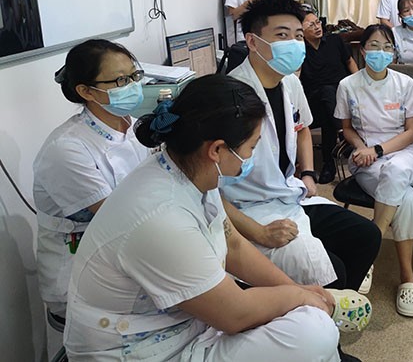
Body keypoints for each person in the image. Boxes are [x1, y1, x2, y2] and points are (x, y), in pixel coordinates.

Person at [64, 74, 370, 361]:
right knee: (315, 332)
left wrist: (301, 291)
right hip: (141, 349)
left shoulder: (193, 172)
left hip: (184, 322)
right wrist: (299, 297)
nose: (251, 156)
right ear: (217, 149)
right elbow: (234, 315)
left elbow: (233, 244)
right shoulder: (161, 217)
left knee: (306, 317)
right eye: (251, 147)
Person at [224, 0, 382, 297]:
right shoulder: (230, 96)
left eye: (298, 36)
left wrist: (308, 173)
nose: (295, 44)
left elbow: (303, 128)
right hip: (247, 209)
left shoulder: (289, 82)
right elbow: (206, 190)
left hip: (288, 194)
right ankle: (321, 313)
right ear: (253, 42)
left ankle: (331, 311)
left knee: (366, 236)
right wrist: (258, 233)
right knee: (331, 271)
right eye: (282, 35)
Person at [34, 39, 149, 319]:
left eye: (134, 76)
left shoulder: (132, 126)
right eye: (120, 80)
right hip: (81, 273)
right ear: (86, 91)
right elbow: (119, 220)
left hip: (128, 252)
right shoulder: (67, 148)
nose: (132, 86)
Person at [335, 24, 413, 317]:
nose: (381, 52)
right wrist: (361, 148)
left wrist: (377, 150)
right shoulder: (348, 85)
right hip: (366, 159)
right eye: (374, 46)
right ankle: (407, 279)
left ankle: (367, 253)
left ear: (394, 52)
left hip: (404, 153)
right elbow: (347, 128)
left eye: (387, 47)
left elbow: (412, 132)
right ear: (363, 51)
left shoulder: (405, 83)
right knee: (408, 198)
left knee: (396, 172)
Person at [300, 10, 359, 183]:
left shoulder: (334, 40)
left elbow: (349, 61)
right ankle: (343, 135)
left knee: (328, 111)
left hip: (342, 96)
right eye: (311, 24)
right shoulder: (299, 49)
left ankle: (329, 164)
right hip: (313, 100)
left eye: (318, 22)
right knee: (326, 97)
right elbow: (296, 76)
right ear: (301, 29)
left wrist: (359, 84)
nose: (317, 27)